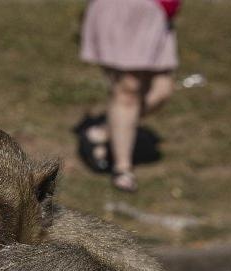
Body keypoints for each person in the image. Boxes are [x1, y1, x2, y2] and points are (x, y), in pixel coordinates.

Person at [77, 0, 180, 192]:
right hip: (122, 9)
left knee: (162, 90)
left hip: (157, 10)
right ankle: (122, 168)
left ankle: (102, 132)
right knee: (128, 89)